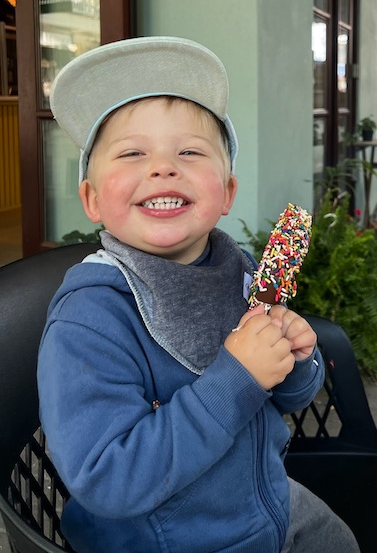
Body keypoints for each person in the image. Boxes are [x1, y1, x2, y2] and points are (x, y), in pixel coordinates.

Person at [38, 36, 360, 553]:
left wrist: (296, 359)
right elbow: (106, 480)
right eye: (132, 153)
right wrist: (238, 377)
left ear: (227, 192)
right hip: (171, 540)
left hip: (265, 503)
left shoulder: (241, 274)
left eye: (189, 151)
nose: (163, 167)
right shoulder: (90, 318)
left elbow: (286, 399)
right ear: (93, 199)